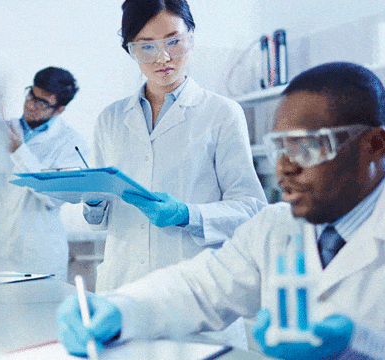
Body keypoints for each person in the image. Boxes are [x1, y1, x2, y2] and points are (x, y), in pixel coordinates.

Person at [57, 62, 385, 359]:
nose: (284, 166)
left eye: (306, 145)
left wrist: (361, 348)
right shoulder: (275, 227)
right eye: (279, 147)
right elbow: (197, 289)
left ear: (375, 145)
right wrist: (118, 309)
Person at [84, 0, 267, 294]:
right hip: (123, 285)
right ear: (130, 49)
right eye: (146, 46)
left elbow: (251, 209)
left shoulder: (222, 113)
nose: (163, 57)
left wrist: (187, 214)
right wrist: (92, 202)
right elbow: (99, 221)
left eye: (174, 41)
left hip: (196, 289)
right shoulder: (110, 120)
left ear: (191, 36)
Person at [0, 66, 89, 279]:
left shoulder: (71, 144)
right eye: (30, 95)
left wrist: (19, 151)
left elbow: (54, 196)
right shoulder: (5, 129)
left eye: (42, 103)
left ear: (59, 109)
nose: (30, 105)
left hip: (38, 256)